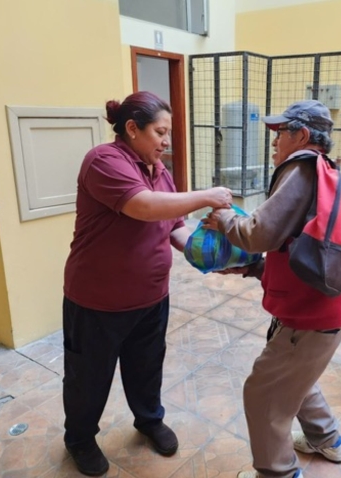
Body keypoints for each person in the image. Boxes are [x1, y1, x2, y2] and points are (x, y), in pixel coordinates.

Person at [62, 91, 232, 476]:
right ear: (132, 129)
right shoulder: (104, 161)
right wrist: (207, 196)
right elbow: (143, 207)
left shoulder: (160, 171)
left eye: (168, 132)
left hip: (151, 297)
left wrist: (206, 258)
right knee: (89, 376)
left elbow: (173, 226)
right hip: (97, 301)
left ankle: (149, 419)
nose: (166, 141)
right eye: (160, 132)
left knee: (146, 366)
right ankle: (80, 438)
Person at [203, 100, 341, 478]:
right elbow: (302, 247)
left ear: (301, 136)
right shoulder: (327, 171)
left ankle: (279, 472)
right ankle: (327, 439)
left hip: (310, 316)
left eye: (280, 133)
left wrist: (223, 219)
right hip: (326, 306)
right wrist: (254, 268)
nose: (274, 142)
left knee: (263, 393)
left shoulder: (300, 169)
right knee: (297, 378)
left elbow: (260, 232)